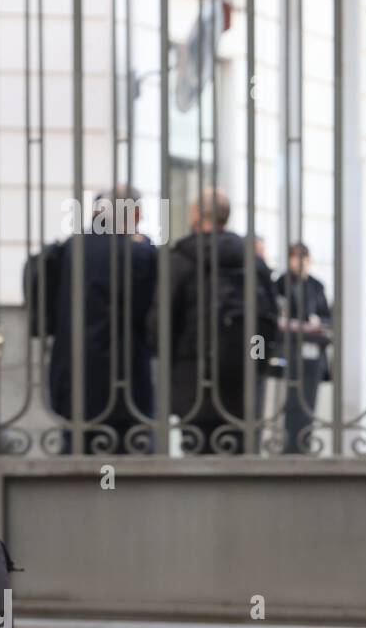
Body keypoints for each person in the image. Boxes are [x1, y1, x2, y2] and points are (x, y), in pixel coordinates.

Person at [26, 185, 158, 453]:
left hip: (73, 376)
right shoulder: (139, 253)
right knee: (129, 461)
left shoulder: (69, 248)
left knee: (75, 455)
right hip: (124, 382)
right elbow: (151, 315)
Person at [149, 189, 278, 455]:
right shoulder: (253, 261)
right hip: (242, 377)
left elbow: (161, 323)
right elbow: (270, 320)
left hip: (192, 380)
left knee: (197, 455)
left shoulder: (181, 260)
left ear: (195, 215)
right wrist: (258, 362)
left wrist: (172, 361)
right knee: (239, 458)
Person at [275, 244, 332, 454]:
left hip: (313, 350)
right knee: (289, 401)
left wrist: (318, 323)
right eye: (296, 257)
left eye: (304, 258)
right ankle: (288, 445)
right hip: (289, 350)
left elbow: (327, 316)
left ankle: (304, 444)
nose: (300, 262)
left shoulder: (316, 286)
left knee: (309, 401)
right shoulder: (281, 283)